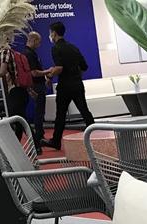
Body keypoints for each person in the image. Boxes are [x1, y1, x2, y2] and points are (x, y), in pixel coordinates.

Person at [44, 20, 95, 150]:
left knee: (60, 115)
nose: (50, 35)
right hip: (77, 84)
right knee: (84, 111)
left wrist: (49, 77)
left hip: (64, 86)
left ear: (54, 33)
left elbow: (59, 68)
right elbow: (84, 66)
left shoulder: (56, 48)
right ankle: (96, 135)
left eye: (50, 33)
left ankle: (56, 141)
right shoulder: (73, 47)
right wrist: (75, 74)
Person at [0, 44, 28, 138]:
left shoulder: (5, 52)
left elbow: (2, 71)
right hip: (20, 89)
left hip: (14, 89)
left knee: (18, 118)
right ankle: (18, 142)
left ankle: (35, 142)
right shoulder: (15, 53)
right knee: (19, 119)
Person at [24, 31, 50, 153]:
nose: (39, 45)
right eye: (39, 42)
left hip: (37, 85)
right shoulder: (29, 54)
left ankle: (39, 135)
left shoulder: (30, 53)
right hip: (36, 86)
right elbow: (34, 72)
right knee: (39, 112)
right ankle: (39, 136)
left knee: (40, 111)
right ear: (34, 40)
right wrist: (48, 71)